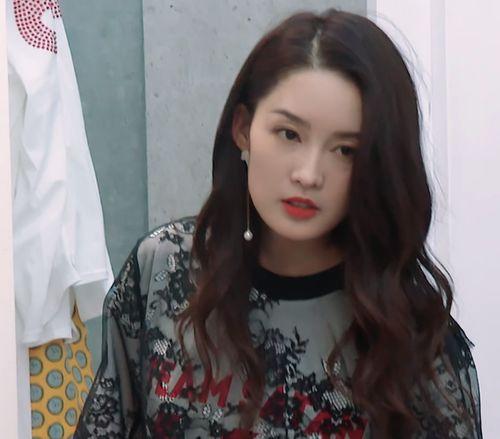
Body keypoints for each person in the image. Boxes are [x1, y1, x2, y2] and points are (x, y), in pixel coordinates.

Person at [74, 8, 482, 438]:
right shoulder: (161, 269)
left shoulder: (413, 337)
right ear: (243, 129)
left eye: (345, 151)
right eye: (289, 134)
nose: (309, 174)